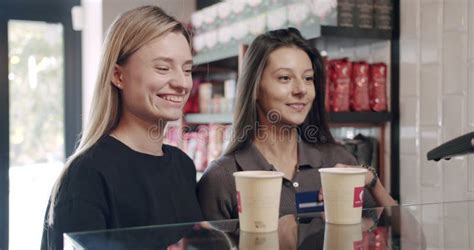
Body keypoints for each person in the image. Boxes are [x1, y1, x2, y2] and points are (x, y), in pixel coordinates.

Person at [41, 5, 202, 250]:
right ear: (118, 75)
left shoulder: (183, 167)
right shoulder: (86, 176)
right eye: (163, 67)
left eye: (187, 69)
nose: (181, 83)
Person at [197, 27, 397, 220]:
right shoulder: (221, 177)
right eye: (285, 78)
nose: (301, 89)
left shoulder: (337, 161)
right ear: (255, 87)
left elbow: (406, 237)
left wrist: (372, 182)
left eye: (308, 78)